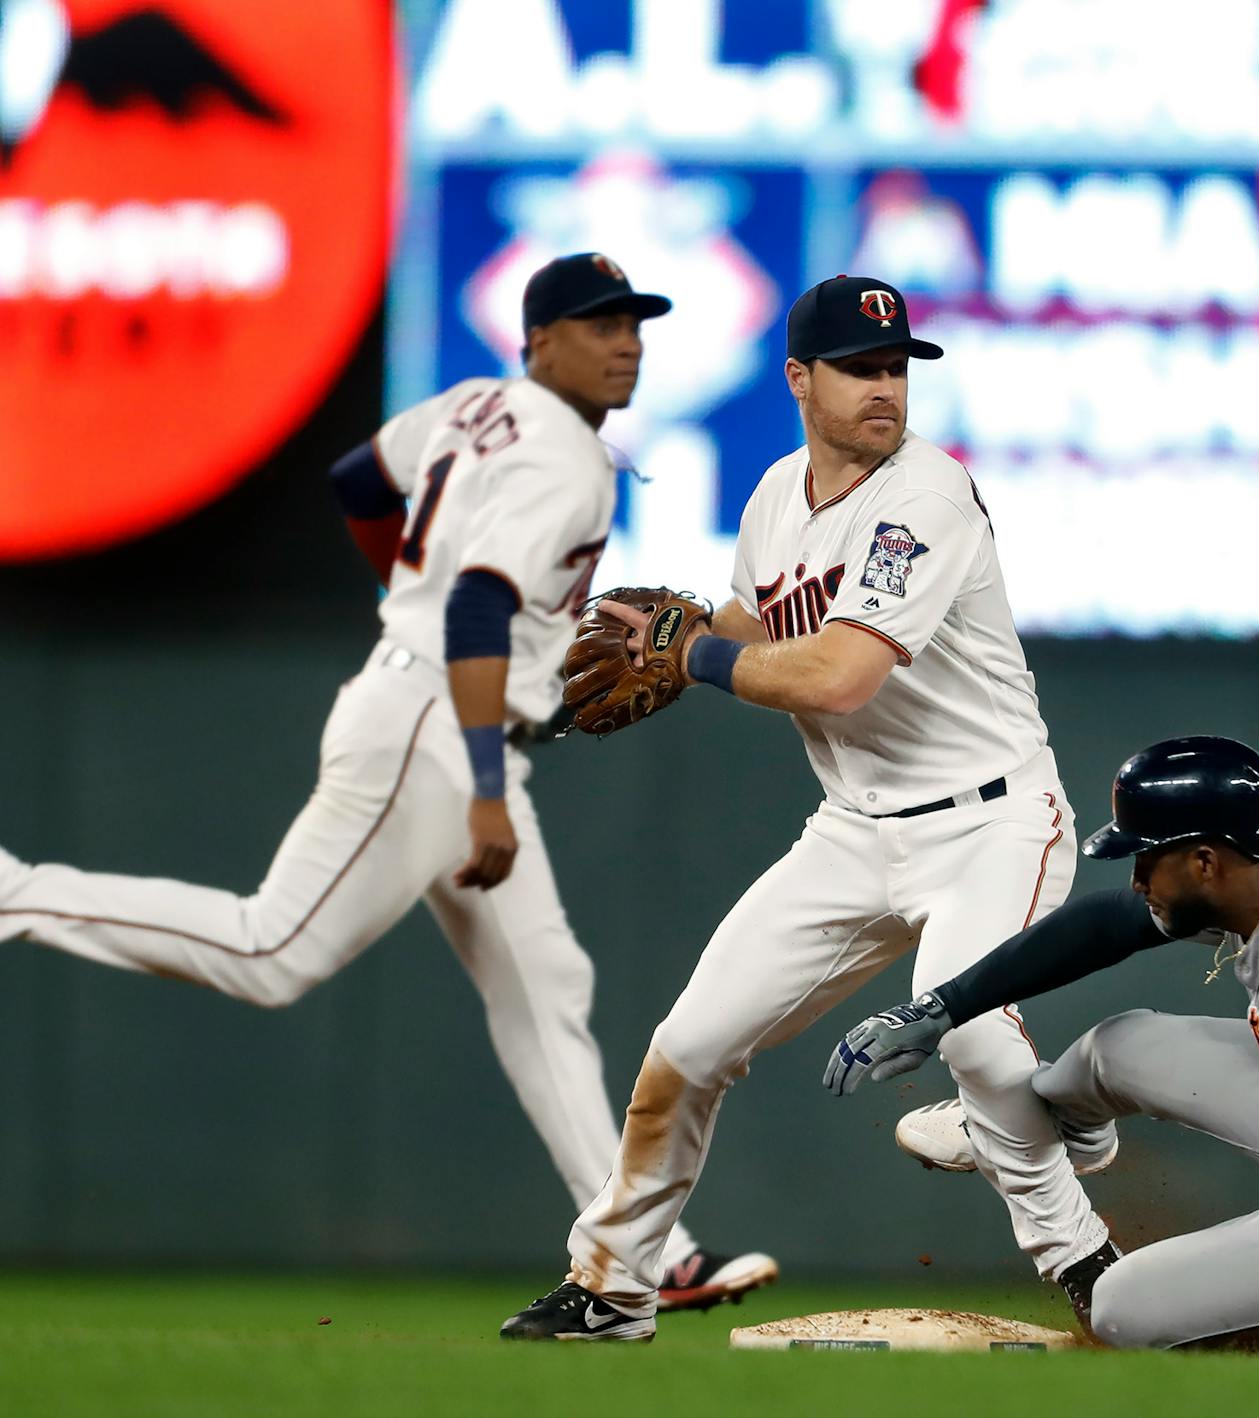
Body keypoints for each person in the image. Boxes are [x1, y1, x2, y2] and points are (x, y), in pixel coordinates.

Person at [0, 254, 775, 1314]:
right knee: (272, 947)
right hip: (439, 728)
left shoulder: (472, 406)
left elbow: (358, 480)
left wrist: (399, 591)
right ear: (540, 341)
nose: (626, 341)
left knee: (547, 991)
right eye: (599, 325)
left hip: (426, 704)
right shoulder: (564, 458)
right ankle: (15, 891)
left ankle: (648, 1247)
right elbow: (472, 609)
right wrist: (489, 784)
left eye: (634, 322)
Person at [498, 275, 1114, 1342]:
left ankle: (1090, 1261)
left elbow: (834, 676)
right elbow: (753, 621)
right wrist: (667, 637)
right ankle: (612, 1285)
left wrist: (690, 654)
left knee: (965, 1035)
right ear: (799, 377)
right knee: (683, 1050)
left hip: (994, 821)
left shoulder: (926, 495)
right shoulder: (776, 497)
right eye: (859, 368)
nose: (885, 388)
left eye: (896, 368)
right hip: (856, 830)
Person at [824, 736, 1259, 1352]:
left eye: (1147, 858)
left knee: (1121, 1310)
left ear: (1204, 861)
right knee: (1116, 1049)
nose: (1136, 877)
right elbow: (1107, 925)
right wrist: (941, 1007)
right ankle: (1035, 1130)